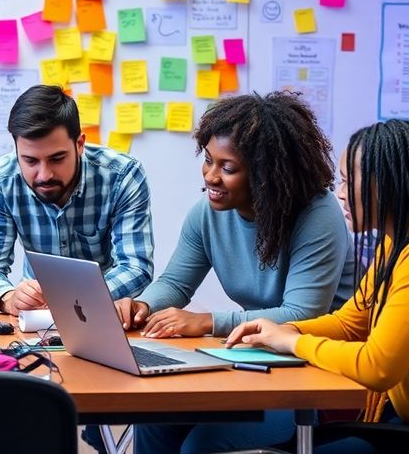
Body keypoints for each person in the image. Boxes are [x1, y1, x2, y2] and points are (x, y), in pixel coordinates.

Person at [225, 109, 409, 453]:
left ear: (389, 181)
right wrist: (289, 330)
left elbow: (377, 367)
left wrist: (292, 343)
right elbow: (351, 323)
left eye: (348, 182)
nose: (339, 194)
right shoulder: (399, 242)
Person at [119, 92, 356, 453]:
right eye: (208, 161)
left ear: (266, 174)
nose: (211, 176)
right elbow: (175, 282)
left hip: (316, 373)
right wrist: (143, 306)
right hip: (252, 362)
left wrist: (208, 322)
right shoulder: (208, 212)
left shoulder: (317, 216)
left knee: (200, 447)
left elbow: (302, 314)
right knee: (153, 418)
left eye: (228, 168)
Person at [0, 84, 154, 315]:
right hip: (35, 315)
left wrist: (73, 298)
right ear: (16, 150)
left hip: (100, 309)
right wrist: (10, 298)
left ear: (80, 144)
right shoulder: (0, 180)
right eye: (30, 161)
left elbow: (136, 266)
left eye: (57, 158)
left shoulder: (123, 175)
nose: (44, 174)